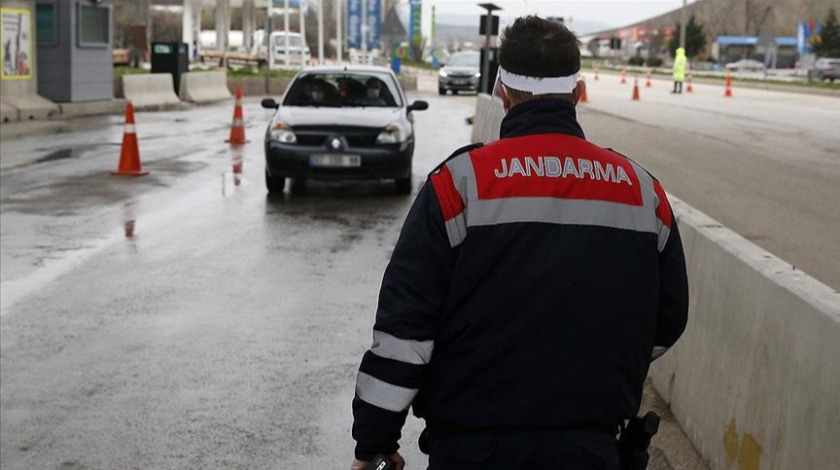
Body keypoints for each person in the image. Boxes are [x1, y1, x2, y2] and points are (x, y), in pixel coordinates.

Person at [350, 16, 688, 470]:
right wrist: (599, 356)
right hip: (592, 450)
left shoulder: (457, 185)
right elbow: (668, 317)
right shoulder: (643, 191)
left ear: (502, 92)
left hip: (470, 451)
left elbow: (403, 332)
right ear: (578, 93)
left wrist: (375, 441)